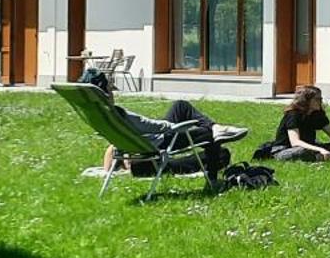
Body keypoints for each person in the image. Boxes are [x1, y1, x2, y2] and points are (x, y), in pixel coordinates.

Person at [87, 69, 247, 188]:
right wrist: (175, 127)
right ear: (104, 93)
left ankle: (216, 128)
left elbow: (116, 144)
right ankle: (212, 179)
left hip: (144, 146)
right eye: (110, 88)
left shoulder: (98, 116)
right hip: (157, 144)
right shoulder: (118, 113)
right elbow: (150, 125)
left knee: (180, 106)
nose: (113, 91)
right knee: (208, 134)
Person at [267, 85, 330, 161]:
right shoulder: (293, 114)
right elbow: (295, 142)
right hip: (286, 149)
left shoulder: (318, 114)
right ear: (306, 100)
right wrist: (319, 149)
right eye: (317, 99)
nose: (321, 101)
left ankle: (320, 157)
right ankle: (322, 156)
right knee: (300, 152)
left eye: (321, 99)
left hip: (310, 146)